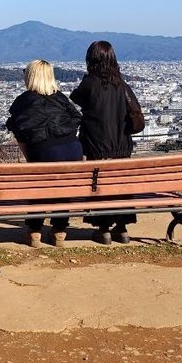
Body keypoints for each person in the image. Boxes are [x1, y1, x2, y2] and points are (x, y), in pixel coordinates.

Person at [70, 40, 144, 244]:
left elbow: (75, 98)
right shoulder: (122, 85)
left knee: (100, 186)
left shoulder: (89, 84)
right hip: (122, 146)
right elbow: (136, 114)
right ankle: (122, 228)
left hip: (96, 146)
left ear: (90, 60)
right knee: (121, 185)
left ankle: (103, 228)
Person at [5, 59, 83, 246]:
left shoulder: (23, 101)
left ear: (30, 77)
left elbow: (20, 134)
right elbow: (75, 121)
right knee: (63, 187)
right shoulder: (60, 98)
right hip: (73, 151)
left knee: (38, 185)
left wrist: (31, 159)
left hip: (44, 151)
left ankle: (34, 231)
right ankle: (59, 231)